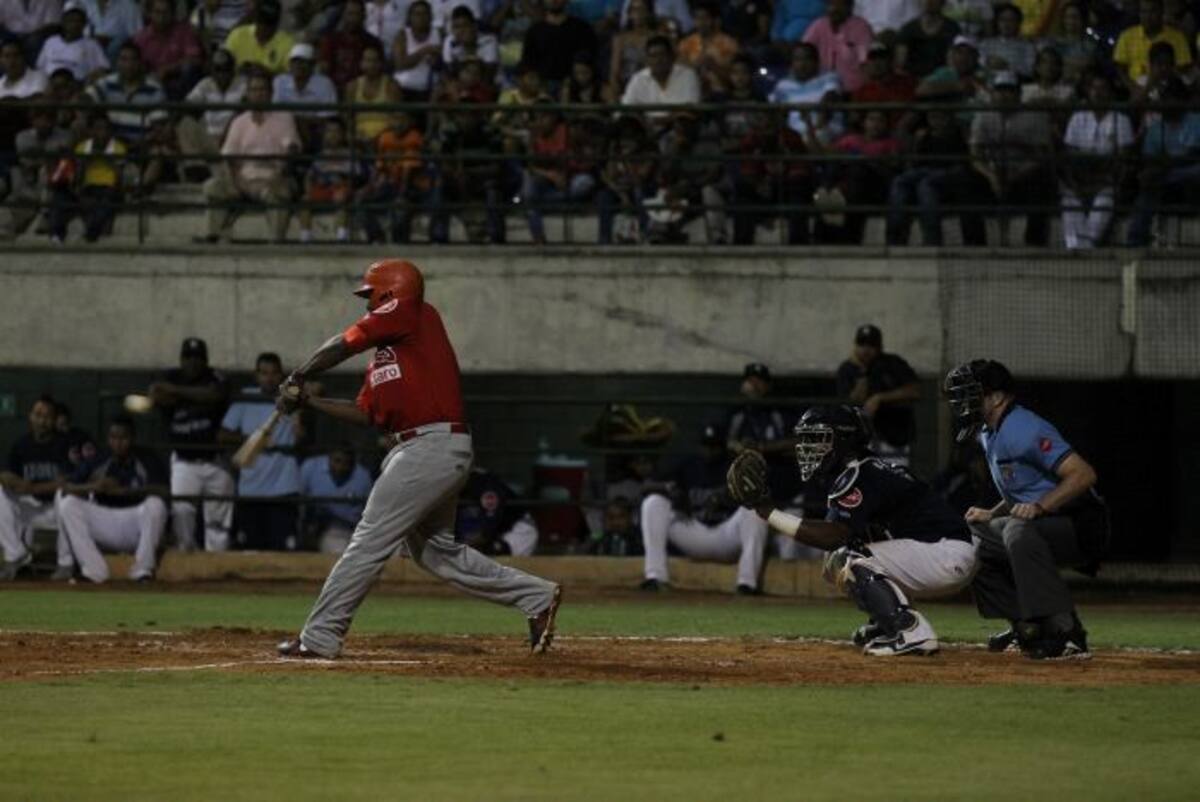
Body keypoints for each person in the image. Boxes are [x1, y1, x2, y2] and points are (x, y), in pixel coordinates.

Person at [275, 259, 563, 659]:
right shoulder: (385, 358)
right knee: (435, 552)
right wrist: (308, 401)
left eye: (371, 295)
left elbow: (343, 343)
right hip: (421, 451)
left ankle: (320, 636)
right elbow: (367, 414)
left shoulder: (413, 312)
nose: (367, 304)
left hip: (431, 445)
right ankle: (536, 597)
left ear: (391, 292)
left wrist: (298, 375)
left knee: (369, 539)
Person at [725, 405, 978, 656]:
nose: (808, 447)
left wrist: (769, 513)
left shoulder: (860, 474)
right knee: (845, 554)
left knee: (848, 558)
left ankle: (909, 629)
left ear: (844, 440)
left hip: (945, 553)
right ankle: (887, 621)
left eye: (819, 439)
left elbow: (833, 536)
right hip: (941, 550)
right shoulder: (867, 469)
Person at [944, 360, 1108, 659]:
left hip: (1079, 523)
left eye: (971, 393)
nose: (963, 402)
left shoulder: (1023, 427)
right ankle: (1027, 628)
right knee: (971, 537)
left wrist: (1039, 507)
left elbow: (1083, 475)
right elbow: (1022, 490)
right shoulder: (989, 432)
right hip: (1044, 522)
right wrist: (992, 514)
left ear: (996, 397)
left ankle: (1065, 632)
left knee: (1018, 530)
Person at [639, 423, 769, 595]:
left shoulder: (735, 466)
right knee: (653, 502)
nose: (709, 451)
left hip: (726, 536)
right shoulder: (689, 464)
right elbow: (645, 486)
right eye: (706, 446)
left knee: (754, 512)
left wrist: (728, 496)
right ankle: (655, 577)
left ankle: (746, 584)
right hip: (694, 532)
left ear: (723, 447)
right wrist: (668, 488)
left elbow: (762, 496)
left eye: (714, 447)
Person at [57, 415, 168, 583]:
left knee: (156, 505)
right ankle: (94, 571)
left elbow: (164, 490)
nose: (118, 443)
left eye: (123, 438)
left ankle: (142, 571)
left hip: (135, 522)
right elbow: (66, 486)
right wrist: (95, 486)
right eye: (114, 438)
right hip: (105, 520)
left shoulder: (146, 457)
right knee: (68, 505)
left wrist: (128, 491)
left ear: (133, 438)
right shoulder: (100, 458)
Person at [148, 337, 233, 552]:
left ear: (205, 360)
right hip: (184, 460)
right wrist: (193, 395)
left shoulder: (215, 376)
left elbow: (215, 394)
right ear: (181, 359)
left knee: (218, 521)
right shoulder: (170, 376)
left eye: (197, 357)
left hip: (215, 460)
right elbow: (156, 394)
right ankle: (186, 559)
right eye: (188, 357)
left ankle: (218, 562)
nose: (192, 362)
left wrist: (177, 392)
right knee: (182, 511)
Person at [203, 70, 300, 243]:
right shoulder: (239, 122)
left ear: (271, 93)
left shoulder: (284, 118)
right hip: (244, 178)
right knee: (213, 186)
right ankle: (213, 235)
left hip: (273, 176)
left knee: (280, 191)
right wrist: (235, 181)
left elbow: (291, 149)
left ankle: (276, 241)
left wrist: (279, 176)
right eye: (254, 90)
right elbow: (229, 156)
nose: (258, 94)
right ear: (247, 94)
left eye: (263, 89)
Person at [219, 352, 303, 551]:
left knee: (284, 553)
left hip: (284, 490)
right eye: (264, 373)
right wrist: (255, 439)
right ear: (256, 375)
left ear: (281, 375)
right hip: (251, 490)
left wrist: (297, 400)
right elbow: (222, 435)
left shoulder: (291, 397)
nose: (269, 378)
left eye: (274, 373)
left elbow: (316, 390)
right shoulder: (246, 397)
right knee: (250, 552)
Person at [1059, 72, 1134, 249]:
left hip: (1107, 178)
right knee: (1069, 200)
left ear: (1111, 93)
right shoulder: (1078, 117)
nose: (1098, 93)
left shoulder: (1121, 119)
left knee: (1104, 201)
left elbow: (1123, 157)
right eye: (1094, 88)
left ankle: (1085, 246)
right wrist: (1079, 177)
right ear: (1088, 91)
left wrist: (1104, 174)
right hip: (1081, 177)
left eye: (1103, 88)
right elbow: (1070, 153)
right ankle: (1076, 246)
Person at [0, 396, 70, 581]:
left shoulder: (64, 444)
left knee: (66, 498)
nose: (41, 420)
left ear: (54, 420)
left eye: (47, 416)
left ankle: (66, 563)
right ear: (30, 416)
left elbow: (67, 483)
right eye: (38, 415)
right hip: (30, 507)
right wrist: (13, 481)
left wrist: (32, 487)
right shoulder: (21, 444)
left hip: (56, 508)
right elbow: (5, 475)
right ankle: (15, 553)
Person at [1126, 78, 1200, 247]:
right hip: (1165, 179)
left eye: (1173, 98)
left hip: (1190, 174)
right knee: (1148, 182)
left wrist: (1168, 164)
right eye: (1165, 98)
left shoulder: (1197, 121)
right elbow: (1150, 161)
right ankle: (1135, 241)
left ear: (1182, 101)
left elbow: (1195, 154)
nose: (1168, 103)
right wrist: (1158, 169)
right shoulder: (1154, 129)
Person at [885, 101, 968, 245]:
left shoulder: (957, 135)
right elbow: (915, 161)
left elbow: (961, 163)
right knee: (899, 181)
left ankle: (932, 238)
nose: (936, 121)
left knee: (926, 185)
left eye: (940, 117)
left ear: (948, 118)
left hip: (946, 172)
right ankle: (895, 236)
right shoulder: (924, 135)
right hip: (924, 170)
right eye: (932, 117)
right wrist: (916, 144)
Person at [835, 325, 919, 465]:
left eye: (871, 345)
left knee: (894, 475)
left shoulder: (892, 363)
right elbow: (853, 400)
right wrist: (862, 371)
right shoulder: (848, 369)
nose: (866, 349)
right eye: (862, 344)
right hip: (862, 442)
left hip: (894, 438)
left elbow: (914, 391)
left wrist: (880, 398)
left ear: (879, 347)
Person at [521, 104, 595, 244]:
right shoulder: (534, 135)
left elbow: (588, 157)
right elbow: (530, 166)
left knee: (585, 183)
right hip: (546, 180)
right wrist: (551, 175)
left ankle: (544, 204)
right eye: (537, 118)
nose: (540, 121)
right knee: (529, 189)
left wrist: (570, 169)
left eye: (544, 117)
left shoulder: (568, 132)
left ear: (554, 118)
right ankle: (538, 237)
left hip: (571, 178)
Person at [47, 112, 126, 244]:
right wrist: (84, 162)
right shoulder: (82, 147)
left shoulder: (118, 147)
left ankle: (91, 233)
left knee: (108, 199)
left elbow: (119, 178)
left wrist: (108, 159)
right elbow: (76, 177)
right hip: (86, 187)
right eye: (98, 129)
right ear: (90, 131)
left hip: (108, 188)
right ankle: (56, 234)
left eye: (105, 129)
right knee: (61, 196)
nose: (102, 133)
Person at [620, 35, 701, 133]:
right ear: (647, 60)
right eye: (653, 56)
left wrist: (653, 121)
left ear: (672, 57)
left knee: (685, 122)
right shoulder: (637, 79)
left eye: (662, 55)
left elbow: (689, 110)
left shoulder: (688, 75)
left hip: (678, 131)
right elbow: (627, 109)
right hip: (645, 132)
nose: (658, 60)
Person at [300, 444, 373, 554]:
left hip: (352, 528)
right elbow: (300, 501)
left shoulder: (363, 477)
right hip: (321, 527)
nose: (340, 467)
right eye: (337, 461)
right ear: (329, 458)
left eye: (346, 463)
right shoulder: (311, 467)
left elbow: (369, 510)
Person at [455, 467, 540, 556]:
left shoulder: (484, 483)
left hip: (519, 531)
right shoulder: (456, 484)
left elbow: (487, 530)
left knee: (490, 553)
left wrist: (465, 544)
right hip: (497, 533)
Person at [298, 117, 355, 243]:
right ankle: (305, 237)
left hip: (342, 188)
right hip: (323, 188)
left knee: (341, 196)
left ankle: (342, 237)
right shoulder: (320, 156)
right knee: (304, 200)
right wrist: (308, 191)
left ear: (343, 134)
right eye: (329, 131)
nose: (333, 135)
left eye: (336, 131)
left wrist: (345, 184)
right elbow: (309, 176)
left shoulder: (350, 154)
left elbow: (358, 176)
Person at [769, 42, 843, 139]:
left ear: (817, 62)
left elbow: (830, 96)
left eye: (807, 59)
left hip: (824, 130)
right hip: (794, 135)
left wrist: (819, 122)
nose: (802, 64)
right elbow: (773, 109)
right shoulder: (783, 85)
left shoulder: (829, 77)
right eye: (797, 59)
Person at [133, 0, 205, 100]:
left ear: (172, 14)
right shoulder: (142, 37)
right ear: (150, 13)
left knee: (189, 69)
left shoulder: (184, 32)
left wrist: (168, 69)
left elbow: (195, 59)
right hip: (151, 82)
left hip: (178, 82)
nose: (161, 17)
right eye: (157, 12)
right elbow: (135, 63)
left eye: (165, 12)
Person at [1113, 0, 1191, 89]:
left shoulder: (1177, 38)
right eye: (1144, 12)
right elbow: (1120, 68)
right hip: (1135, 88)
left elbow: (1183, 67)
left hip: (1167, 88)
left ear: (1161, 12)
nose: (1147, 16)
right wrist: (1133, 89)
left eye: (1153, 11)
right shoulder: (1126, 36)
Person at [802, 0, 874, 94]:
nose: (834, 9)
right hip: (820, 89)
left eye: (840, 5)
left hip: (852, 90)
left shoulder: (861, 27)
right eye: (831, 4)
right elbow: (804, 51)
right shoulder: (818, 25)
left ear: (850, 7)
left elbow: (864, 60)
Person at [272, 43, 338, 146]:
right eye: (295, 62)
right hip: (284, 128)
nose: (298, 66)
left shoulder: (325, 84)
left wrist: (300, 122)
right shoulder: (279, 82)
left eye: (303, 62)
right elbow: (275, 113)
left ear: (312, 65)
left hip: (314, 131)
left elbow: (328, 118)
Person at [521, 0, 597, 85]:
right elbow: (527, 64)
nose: (553, 0)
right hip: (543, 86)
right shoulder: (534, 31)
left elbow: (592, 61)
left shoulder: (583, 29)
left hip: (576, 85)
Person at [35, 1, 110, 83]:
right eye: (71, 20)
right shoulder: (50, 42)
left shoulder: (92, 45)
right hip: (49, 84)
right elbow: (40, 67)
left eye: (79, 21)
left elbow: (105, 69)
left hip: (77, 85)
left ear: (84, 23)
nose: (75, 24)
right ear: (63, 21)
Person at [676, 0, 739, 95]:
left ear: (714, 20)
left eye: (705, 18)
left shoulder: (729, 44)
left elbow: (736, 77)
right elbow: (679, 74)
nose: (701, 22)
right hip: (691, 92)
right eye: (697, 18)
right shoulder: (685, 44)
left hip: (722, 94)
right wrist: (695, 67)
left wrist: (713, 66)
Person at [318, 0, 384, 89]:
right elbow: (324, 70)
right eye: (350, 14)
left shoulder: (373, 43)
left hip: (362, 90)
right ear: (343, 16)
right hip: (334, 90)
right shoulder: (331, 40)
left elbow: (377, 73)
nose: (354, 18)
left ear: (364, 16)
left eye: (357, 14)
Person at [223, 0, 295, 74]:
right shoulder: (238, 35)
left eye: (268, 24)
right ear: (255, 19)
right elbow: (223, 65)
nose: (264, 27)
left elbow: (291, 75)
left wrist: (267, 74)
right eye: (261, 22)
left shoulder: (287, 43)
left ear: (276, 24)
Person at [896, 0, 961, 79]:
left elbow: (954, 62)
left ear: (942, 3)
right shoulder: (908, 29)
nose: (929, 1)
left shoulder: (952, 28)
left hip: (943, 79)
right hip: (913, 79)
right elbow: (900, 63)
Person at [391, 0, 441, 101]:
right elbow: (400, 64)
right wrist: (424, 51)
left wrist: (436, 60)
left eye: (425, 14)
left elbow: (443, 63)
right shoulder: (402, 35)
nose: (421, 17)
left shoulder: (438, 34)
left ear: (430, 16)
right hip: (403, 88)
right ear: (410, 17)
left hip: (431, 89)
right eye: (417, 14)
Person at [979, 3, 1036, 80]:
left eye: (1011, 20)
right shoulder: (986, 44)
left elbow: (1029, 71)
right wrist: (987, 62)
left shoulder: (1027, 46)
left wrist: (1007, 66)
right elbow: (979, 65)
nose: (1006, 24)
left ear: (1018, 23)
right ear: (997, 22)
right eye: (1003, 20)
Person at [76, 0, 144, 61]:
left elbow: (136, 37)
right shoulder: (83, 3)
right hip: (86, 49)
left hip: (116, 53)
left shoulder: (128, 5)